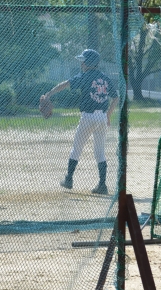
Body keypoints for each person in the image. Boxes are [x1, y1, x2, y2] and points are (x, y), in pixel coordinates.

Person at [41, 49, 119, 195]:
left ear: (89, 63)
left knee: (76, 149)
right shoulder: (105, 78)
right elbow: (116, 97)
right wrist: (108, 115)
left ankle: (69, 179)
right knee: (100, 152)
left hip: (88, 117)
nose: (81, 64)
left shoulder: (85, 76)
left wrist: (49, 94)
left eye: (83, 61)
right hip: (102, 118)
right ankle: (102, 185)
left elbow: (65, 84)